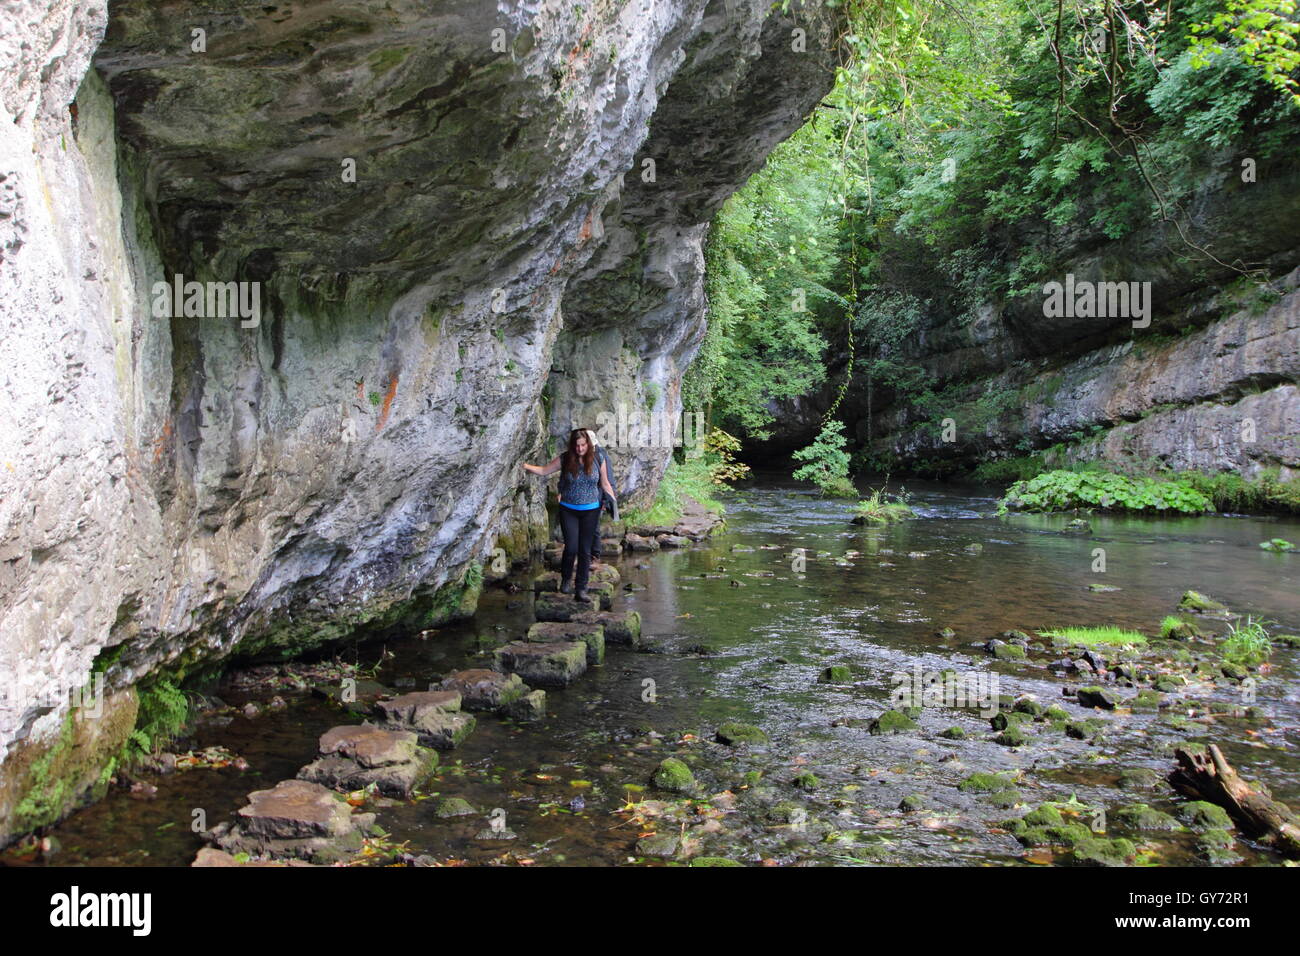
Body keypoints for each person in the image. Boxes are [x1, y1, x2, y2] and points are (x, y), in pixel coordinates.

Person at [522, 429, 617, 601]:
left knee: (585, 550)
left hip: (591, 510)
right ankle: (566, 580)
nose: (580, 449)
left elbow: (605, 483)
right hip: (569, 509)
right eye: (577, 445)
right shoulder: (566, 458)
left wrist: (613, 502)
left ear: (588, 444)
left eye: (583, 445)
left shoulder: (598, 458)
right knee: (571, 547)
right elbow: (544, 470)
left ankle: (581, 589)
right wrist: (525, 466)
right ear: (572, 446)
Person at [584, 429, 619, 567]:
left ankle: (595, 556)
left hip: (597, 497)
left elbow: (608, 480)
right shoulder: (580, 455)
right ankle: (585, 555)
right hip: (581, 498)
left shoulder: (600, 455)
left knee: (593, 527)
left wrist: (605, 500)